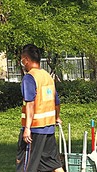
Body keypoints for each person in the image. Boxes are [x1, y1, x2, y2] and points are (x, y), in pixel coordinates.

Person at [16, 44, 64, 172]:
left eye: (22, 60)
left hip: (34, 130)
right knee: (54, 165)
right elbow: (56, 101)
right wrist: (57, 117)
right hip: (48, 128)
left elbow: (30, 104)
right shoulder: (47, 76)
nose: (22, 63)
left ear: (26, 59)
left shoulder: (30, 77)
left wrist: (27, 128)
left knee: (25, 166)